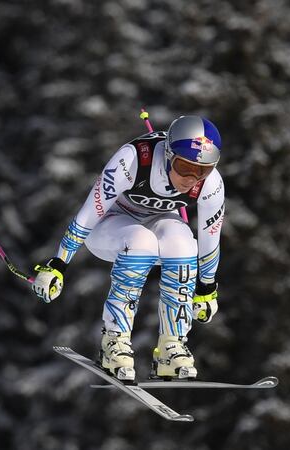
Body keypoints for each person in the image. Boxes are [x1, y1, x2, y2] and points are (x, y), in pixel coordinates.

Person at [31, 116, 224, 382]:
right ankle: (115, 341)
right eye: (183, 167)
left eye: (201, 171)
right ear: (168, 154)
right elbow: (89, 213)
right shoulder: (133, 160)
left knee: (182, 241)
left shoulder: (211, 183)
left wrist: (206, 288)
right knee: (141, 240)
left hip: (157, 223)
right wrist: (59, 264)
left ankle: (171, 346)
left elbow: (210, 236)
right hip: (109, 228)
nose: (191, 179)